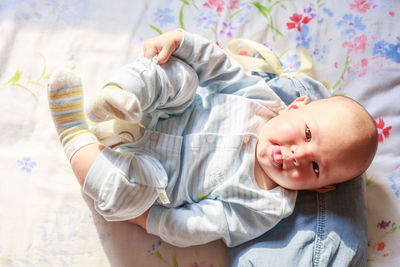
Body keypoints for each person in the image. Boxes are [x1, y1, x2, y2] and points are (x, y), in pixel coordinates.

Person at [47, 30, 378, 247]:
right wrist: (180, 42)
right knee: (181, 76)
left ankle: (73, 132)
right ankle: (119, 95)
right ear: (296, 105)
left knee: (119, 197)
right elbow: (220, 68)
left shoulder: (268, 205)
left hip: (154, 174)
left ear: (319, 189)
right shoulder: (262, 100)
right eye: (306, 134)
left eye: (315, 167)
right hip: (165, 109)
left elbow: (204, 224)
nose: (295, 155)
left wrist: (149, 219)